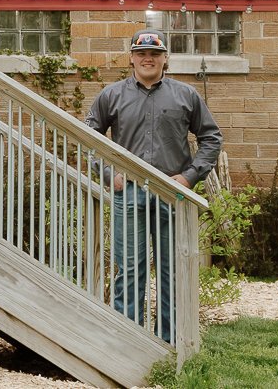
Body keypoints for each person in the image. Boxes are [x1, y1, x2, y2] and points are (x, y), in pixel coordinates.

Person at [85, 29, 223, 344]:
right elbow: (88, 136)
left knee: (171, 271)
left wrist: (189, 177)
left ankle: (169, 343)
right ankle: (129, 341)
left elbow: (211, 138)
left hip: (171, 193)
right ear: (132, 58)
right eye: (141, 53)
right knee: (129, 270)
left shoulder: (186, 95)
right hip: (129, 191)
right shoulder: (112, 95)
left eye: (155, 54)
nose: (148, 59)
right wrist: (108, 174)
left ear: (164, 59)